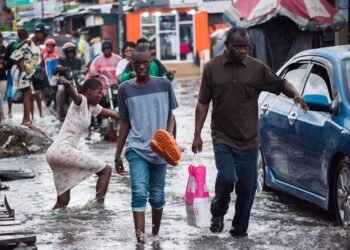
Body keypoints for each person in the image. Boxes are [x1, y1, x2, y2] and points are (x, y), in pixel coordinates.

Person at [191, 27, 309, 237]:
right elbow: (202, 102)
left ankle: (239, 231)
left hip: (249, 140)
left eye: (246, 47)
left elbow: (280, 83)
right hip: (222, 137)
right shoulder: (212, 68)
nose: (243, 51)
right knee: (227, 177)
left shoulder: (256, 69)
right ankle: (218, 211)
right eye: (238, 47)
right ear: (227, 45)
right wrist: (197, 134)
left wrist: (295, 95)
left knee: (247, 190)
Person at [115, 46, 177, 243]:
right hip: (136, 149)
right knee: (139, 191)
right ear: (131, 64)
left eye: (145, 63)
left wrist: (168, 138)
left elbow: (170, 116)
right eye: (137, 63)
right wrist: (117, 155)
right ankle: (140, 241)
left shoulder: (164, 85)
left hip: (160, 150)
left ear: (151, 63)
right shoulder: (125, 89)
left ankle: (155, 236)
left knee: (157, 196)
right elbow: (124, 123)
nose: (141, 67)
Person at [46, 77, 119, 210]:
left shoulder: (92, 107)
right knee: (106, 170)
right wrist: (68, 84)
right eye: (98, 92)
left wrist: (129, 115)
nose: (101, 95)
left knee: (63, 202)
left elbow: (114, 114)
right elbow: (75, 96)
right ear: (89, 91)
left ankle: (51, 220)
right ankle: (99, 209)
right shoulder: (82, 101)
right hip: (63, 150)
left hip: (53, 153)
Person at [10, 24, 48, 127]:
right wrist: (23, 71)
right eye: (44, 35)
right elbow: (15, 57)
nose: (45, 38)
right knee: (27, 94)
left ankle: (26, 120)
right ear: (38, 33)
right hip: (21, 73)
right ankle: (27, 121)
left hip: (29, 74)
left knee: (29, 95)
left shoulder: (35, 46)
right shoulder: (28, 43)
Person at [3, 29, 28, 119]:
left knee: (14, 90)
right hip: (14, 70)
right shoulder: (17, 44)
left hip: (13, 70)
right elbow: (15, 57)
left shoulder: (18, 43)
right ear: (25, 35)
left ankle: (12, 112)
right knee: (14, 91)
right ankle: (11, 111)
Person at [55, 42, 82, 122]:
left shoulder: (78, 61)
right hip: (63, 82)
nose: (70, 53)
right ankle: (59, 112)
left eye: (72, 51)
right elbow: (56, 68)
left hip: (75, 81)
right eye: (69, 52)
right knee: (61, 90)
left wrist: (85, 69)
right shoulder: (61, 60)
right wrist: (59, 67)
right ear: (65, 52)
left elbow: (82, 69)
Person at [0, 45, 7, 126]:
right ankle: (2, 117)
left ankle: (2, 118)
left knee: (0, 99)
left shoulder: (3, 48)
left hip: (2, 78)